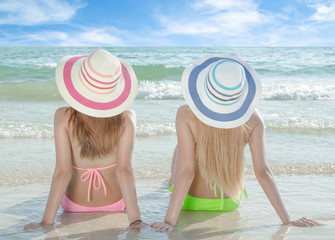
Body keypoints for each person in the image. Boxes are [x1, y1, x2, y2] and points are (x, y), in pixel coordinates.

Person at [151, 55, 323, 231]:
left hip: (190, 202)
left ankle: (169, 183)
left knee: (180, 149)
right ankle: (170, 182)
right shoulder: (254, 118)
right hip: (229, 203)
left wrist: (169, 221)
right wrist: (288, 220)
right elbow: (263, 172)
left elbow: (186, 171)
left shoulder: (185, 114)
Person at [24, 49, 146, 231]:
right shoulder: (127, 118)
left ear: (78, 84)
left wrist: (46, 222)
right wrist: (135, 220)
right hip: (115, 204)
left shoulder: (63, 116)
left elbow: (62, 173)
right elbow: (125, 171)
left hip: (74, 206)